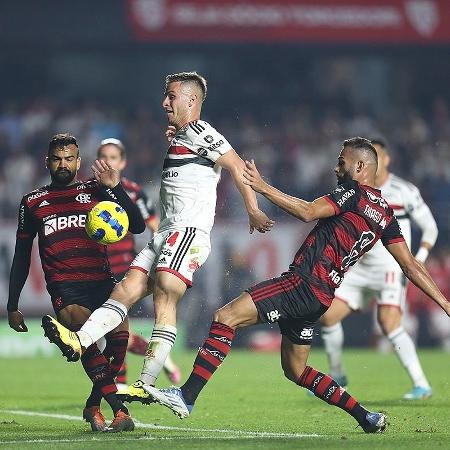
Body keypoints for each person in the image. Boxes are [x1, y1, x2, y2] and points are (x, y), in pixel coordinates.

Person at [139, 138, 449, 433]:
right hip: (322, 295)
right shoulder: (384, 214)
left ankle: (187, 396)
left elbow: (307, 211)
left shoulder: (353, 193)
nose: (336, 169)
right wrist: (445, 303)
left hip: (302, 282)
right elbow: (411, 266)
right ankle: (366, 416)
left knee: (225, 317)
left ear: (359, 168)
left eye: (342, 163)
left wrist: (261, 187)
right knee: (296, 370)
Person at [41, 72, 274, 402]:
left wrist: (252, 208)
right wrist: (177, 137)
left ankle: (147, 382)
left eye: (172, 96)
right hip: (165, 233)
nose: (165, 102)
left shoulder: (201, 130)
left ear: (191, 100)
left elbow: (237, 166)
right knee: (126, 290)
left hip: (187, 232)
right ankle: (80, 340)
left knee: (165, 295)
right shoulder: (184, 136)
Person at [7, 133, 145, 432]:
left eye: (69, 158)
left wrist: (116, 188)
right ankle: (119, 411)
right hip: (65, 287)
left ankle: (93, 405)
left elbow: (136, 224)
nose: (63, 164)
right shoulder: (33, 202)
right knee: (88, 342)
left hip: (103, 281)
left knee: (119, 342)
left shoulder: (96, 191)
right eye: (57, 159)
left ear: (78, 161)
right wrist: (12, 304)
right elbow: (20, 255)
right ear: (47, 162)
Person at [319, 139, 438, 400]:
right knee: (327, 316)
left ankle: (421, 384)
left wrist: (419, 257)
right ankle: (337, 375)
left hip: (390, 268)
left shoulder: (403, 190)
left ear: (385, 160)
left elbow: (430, 227)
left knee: (388, 322)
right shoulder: (351, 191)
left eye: (380, 156)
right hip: (359, 267)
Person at [97, 138, 181, 386]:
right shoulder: (89, 191)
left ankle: (118, 385)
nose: (108, 162)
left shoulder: (133, 192)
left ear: (122, 162)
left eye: (113, 157)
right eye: (103, 157)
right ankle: (159, 359)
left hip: (122, 268)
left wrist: (161, 263)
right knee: (112, 331)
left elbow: (156, 228)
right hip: (97, 268)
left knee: (112, 329)